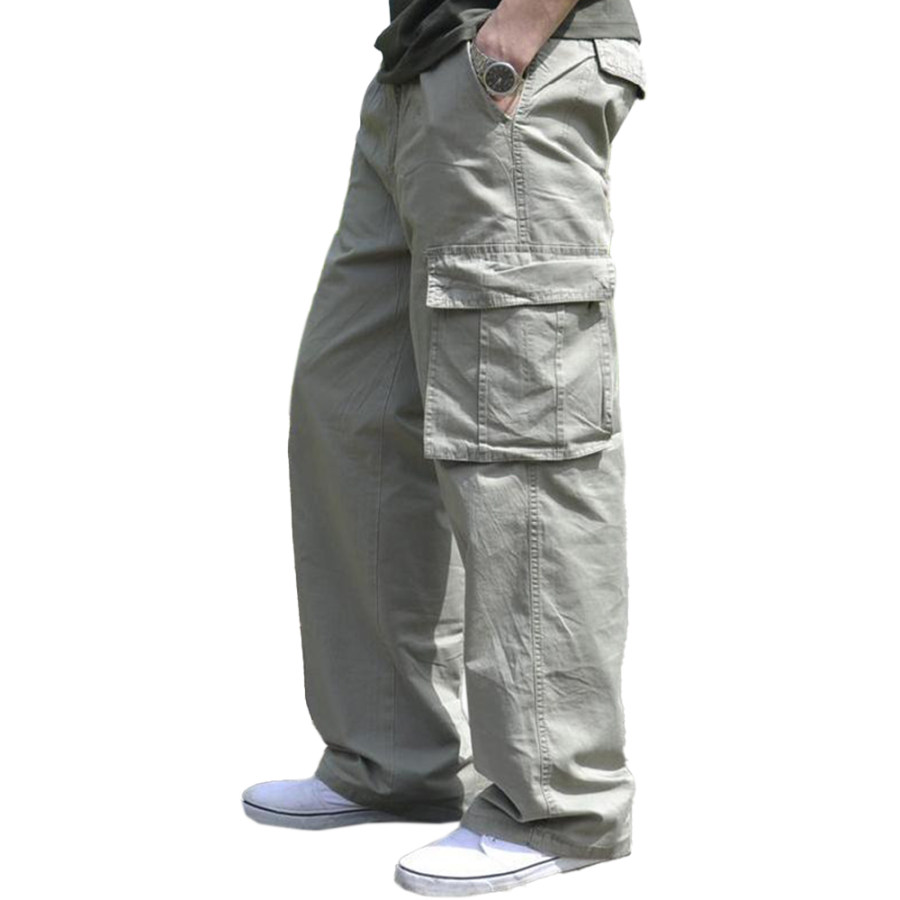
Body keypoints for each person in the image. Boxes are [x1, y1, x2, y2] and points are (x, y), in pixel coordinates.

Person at [242, 0, 646, 894]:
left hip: (509, 66)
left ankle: (560, 803)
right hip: (418, 72)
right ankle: (393, 755)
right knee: (356, 419)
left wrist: (522, 24)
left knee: (520, 433)